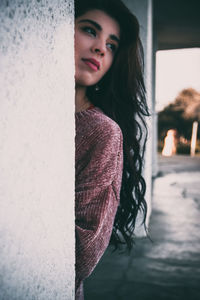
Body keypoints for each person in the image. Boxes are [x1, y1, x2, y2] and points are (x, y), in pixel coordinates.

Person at [75, 0, 149, 299]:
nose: (100, 49)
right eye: (90, 30)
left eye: (112, 45)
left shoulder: (102, 131)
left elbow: (82, 254)